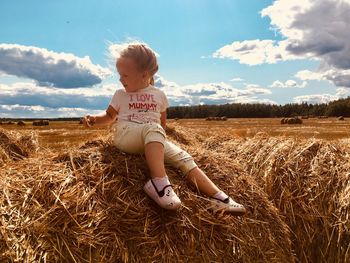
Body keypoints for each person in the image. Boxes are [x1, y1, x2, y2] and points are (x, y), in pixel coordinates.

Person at [82, 43, 246, 215]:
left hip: (151, 137)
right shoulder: (120, 94)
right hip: (126, 136)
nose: (120, 79)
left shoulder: (159, 95)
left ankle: (221, 197)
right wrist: (93, 120)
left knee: (184, 158)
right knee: (153, 129)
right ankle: (159, 184)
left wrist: (157, 144)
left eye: (125, 75)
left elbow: (162, 125)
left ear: (144, 74)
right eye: (119, 75)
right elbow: (109, 117)